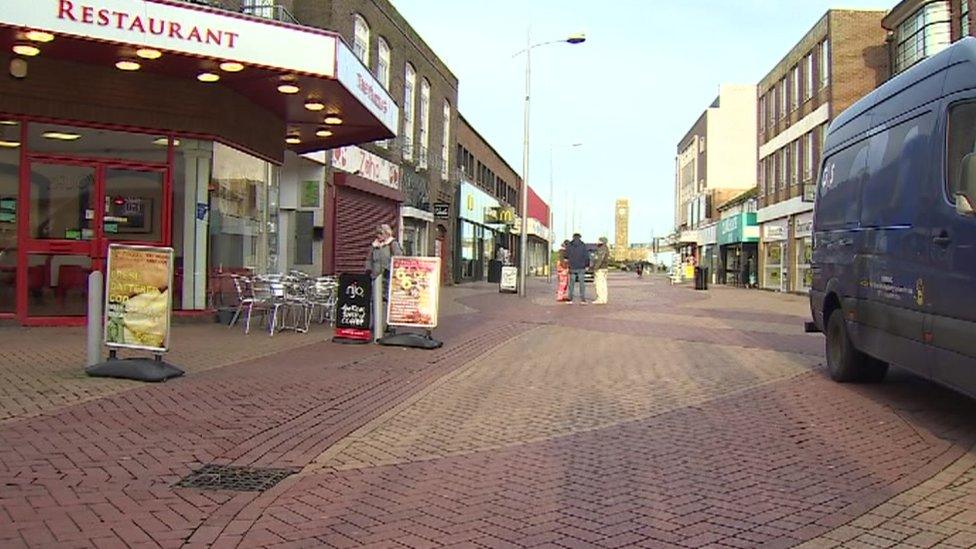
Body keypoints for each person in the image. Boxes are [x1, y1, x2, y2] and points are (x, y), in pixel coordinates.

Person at [365, 223, 403, 299]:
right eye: (377, 234)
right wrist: (368, 270)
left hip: (387, 278)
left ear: (387, 234)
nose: (378, 236)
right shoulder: (374, 246)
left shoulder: (393, 244)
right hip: (375, 278)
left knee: (386, 299)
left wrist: (389, 270)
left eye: (380, 233)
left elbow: (398, 259)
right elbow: (369, 259)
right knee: (375, 299)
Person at [565, 233, 589, 304]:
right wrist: (587, 265)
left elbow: (566, 256)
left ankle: (570, 298)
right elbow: (586, 256)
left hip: (572, 267)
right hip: (581, 267)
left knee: (571, 283)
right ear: (580, 237)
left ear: (573, 237)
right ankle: (583, 299)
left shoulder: (569, 245)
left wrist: (568, 264)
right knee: (582, 283)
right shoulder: (583, 245)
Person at [592, 237, 610, 304]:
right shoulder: (606, 248)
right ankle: (604, 298)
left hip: (600, 269)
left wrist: (595, 268)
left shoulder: (601, 249)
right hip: (605, 268)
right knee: (604, 284)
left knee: (599, 284)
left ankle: (600, 298)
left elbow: (600, 259)